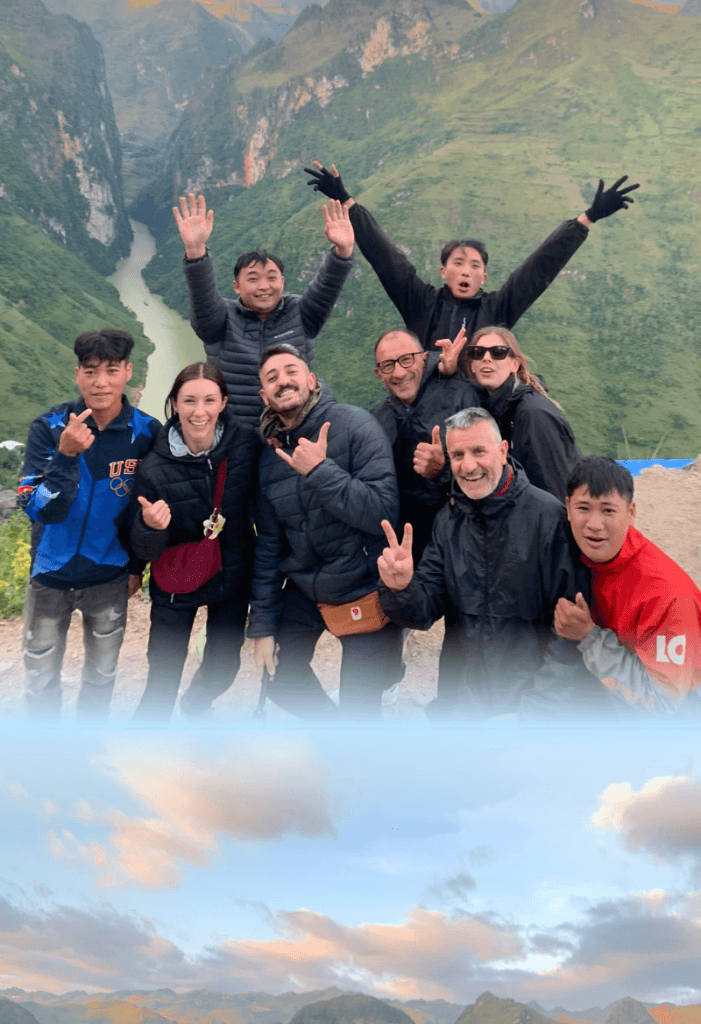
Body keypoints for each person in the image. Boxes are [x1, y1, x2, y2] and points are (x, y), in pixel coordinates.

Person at [377, 408, 600, 718]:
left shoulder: (548, 520)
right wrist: (400, 588)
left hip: (529, 706)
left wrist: (535, 712)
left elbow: (570, 637)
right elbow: (423, 612)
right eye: (457, 455)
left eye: (478, 451)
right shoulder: (448, 521)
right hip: (463, 704)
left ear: (503, 450)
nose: (468, 465)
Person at [305, 162, 639, 352]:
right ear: (443, 271)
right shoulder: (419, 302)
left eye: (475, 266)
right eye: (458, 263)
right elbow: (385, 256)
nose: (466, 271)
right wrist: (347, 201)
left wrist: (587, 219)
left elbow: (540, 268)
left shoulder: (498, 309)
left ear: (484, 278)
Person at [248, 344, 401, 719]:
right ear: (265, 396)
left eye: (291, 371)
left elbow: (383, 512)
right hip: (307, 587)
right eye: (272, 377)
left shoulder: (355, 424)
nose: (283, 381)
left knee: (361, 711)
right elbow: (269, 547)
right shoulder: (269, 458)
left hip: (364, 584)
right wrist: (262, 627)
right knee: (278, 678)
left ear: (311, 380)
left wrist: (320, 471)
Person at [18, 329, 160, 718]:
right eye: (91, 371)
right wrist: (65, 456)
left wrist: (136, 567)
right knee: (40, 674)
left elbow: (146, 508)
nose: (101, 383)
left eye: (112, 370)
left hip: (110, 576)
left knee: (102, 674)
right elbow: (38, 509)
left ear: (128, 372)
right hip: (49, 574)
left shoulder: (147, 433)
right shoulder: (49, 428)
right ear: (77, 374)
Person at [128, 363, 260, 720]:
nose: (199, 412)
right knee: (163, 672)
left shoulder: (246, 446)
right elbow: (142, 547)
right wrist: (150, 527)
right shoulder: (153, 468)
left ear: (223, 403)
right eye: (189, 401)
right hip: (176, 576)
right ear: (175, 403)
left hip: (231, 574)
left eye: (209, 400)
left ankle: (196, 704)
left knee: (223, 666)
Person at [173, 192, 355, 429]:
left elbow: (327, 286)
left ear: (283, 282)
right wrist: (196, 250)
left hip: (293, 428)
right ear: (236, 287)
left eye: (271, 278)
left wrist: (343, 252)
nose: (264, 286)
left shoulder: (301, 313)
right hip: (235, 434)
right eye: (253, 279)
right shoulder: (222, 320)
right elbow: (202, 296)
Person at [555, 456, 701, 715]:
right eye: (583, 508)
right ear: (568, 508)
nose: (594, 524)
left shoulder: (666, 595)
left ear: (631, 513)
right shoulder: (578, 556)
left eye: (608, 510)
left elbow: (663, 703)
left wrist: (589, 637)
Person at [371, 327, 480, 562]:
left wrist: (442, 469)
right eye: (388, 365)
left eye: (406, 360)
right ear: (379, 374)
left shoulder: (461, 397)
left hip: (461, 539)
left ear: (424, 358)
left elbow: (487, 475)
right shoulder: (377, 419)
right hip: (408, 544)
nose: (399, 372)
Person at [462, 325, 581, 502]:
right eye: (478, 353)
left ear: (514, 364)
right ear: (472, 365)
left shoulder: (533, 414)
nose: (486, 358)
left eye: (498, 352)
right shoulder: (492, 409)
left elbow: (555, 490)